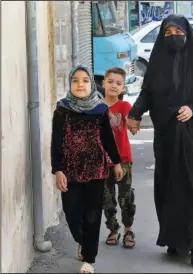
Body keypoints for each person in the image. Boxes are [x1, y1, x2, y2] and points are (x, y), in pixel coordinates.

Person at [126, 14, 193, 267]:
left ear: (187, 34)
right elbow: (147, 93)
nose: (173, 37)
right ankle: (175, 240)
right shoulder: (157, 63)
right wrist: (134, 114)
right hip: (168, 140)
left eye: (177, 32)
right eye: (168, 33)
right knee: (170, 190)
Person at [51, 65, 124, 274]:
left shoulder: (100, 110)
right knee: (72, 214)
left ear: (91, 84)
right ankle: (82, 241)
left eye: (84, 80)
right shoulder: (62, 110)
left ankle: (89, 259)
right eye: (75, 80)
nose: (80, 84)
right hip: (70, 172)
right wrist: (58, 170)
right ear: (70, 84)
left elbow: (108, 140)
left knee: (92, 215)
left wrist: (116, 163)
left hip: (96, 171)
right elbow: (56, 143)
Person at [102, 67, 136, 249]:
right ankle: (113, 229)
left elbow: (132, 123)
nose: (113, 86)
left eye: (118, 83)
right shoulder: (97, 108)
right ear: (103, 83)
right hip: (102, 161)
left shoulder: (124, 107)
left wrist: (133, 126)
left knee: (126, 196)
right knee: (106, 198)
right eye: (110, 82)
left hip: (123, 160)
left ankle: (128, 229)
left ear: (123, 88)